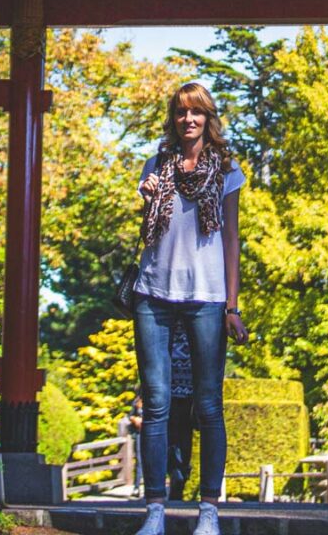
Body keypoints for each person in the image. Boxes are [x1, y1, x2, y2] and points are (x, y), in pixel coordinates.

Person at [133, 81, 248, 535]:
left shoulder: (227, 170)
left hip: (207, 295)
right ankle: (154, 512)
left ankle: (209, 512)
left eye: (196, 112)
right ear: (173, 118)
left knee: (209, 405)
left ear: (208, 118)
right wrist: (147, 198)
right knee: (156, 404)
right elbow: (151, 232)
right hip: (154, 293)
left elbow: (231, 238)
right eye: (181, 112)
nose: (189, 119)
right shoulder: (156, 165)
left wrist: (232, 306)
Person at [166, 319, 194, 500]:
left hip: (167, 380)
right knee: (185, 431)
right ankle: (181, 471)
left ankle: (174, 469)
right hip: (189, 381)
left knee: (167, 431)